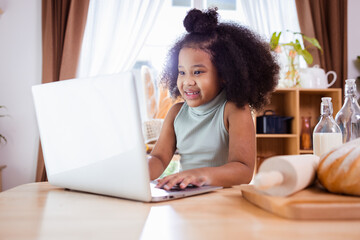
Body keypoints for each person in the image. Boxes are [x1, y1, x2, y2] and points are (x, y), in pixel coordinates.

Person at [148, 8, 279, 190]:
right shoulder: (176, 113)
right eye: (182, 72)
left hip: (223, 203)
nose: (188, 81)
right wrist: (140, 171)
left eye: (198, 72)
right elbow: (160, 158)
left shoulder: (234, 110)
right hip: (186, 201)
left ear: (224, 74)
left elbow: (244, 170)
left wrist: (200, 175)